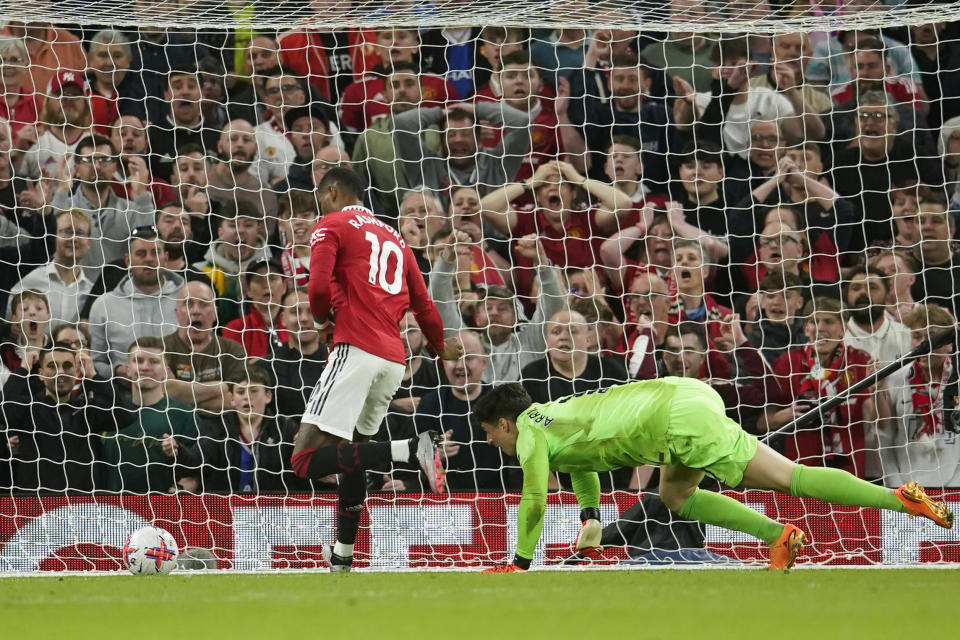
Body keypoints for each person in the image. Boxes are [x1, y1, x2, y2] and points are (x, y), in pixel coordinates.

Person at [472, 380, 953, 573]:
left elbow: (534, 499)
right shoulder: (552, 417)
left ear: (506, 423)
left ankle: (897, 499)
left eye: (490, 433)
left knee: (791, 480)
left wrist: (520, 564)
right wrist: (591, 517)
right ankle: (781, 536)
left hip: (672, 422)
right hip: (681, 395)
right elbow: (580, 467)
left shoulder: (530, 436)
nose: (492, 441)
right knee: (676, 493)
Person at [288, 168, 462, 572]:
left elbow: (316, 289)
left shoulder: (330, 224)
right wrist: (438, 346)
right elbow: (425, 307)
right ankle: (343, 556)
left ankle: (411, 449)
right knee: (354, 458)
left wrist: (320, 323)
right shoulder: (396, 239)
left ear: (331, 192)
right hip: (393, 361)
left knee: (304, 460)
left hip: (355, 351)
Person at [167, 366, 308, 493]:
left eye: (254, 391)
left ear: (268, 396)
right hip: (226, 508)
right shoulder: (218, 428)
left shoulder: (285, 427)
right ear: (232, 399)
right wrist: (179, 450)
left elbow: (300, 470)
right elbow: (196, 461)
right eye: (240, 392)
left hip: (272, 509)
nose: (247, 397)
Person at [98, 337, 200, 493]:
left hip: (161, 511)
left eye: (154, 362)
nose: (145, 368)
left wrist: (178, 495)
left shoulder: (184, 415)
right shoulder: (108, 412)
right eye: (138, 361)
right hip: (111, 510)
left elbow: (195, 475)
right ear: (127, 370)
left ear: (166, 371)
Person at [88, 226, 184, 378]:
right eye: (141, 253)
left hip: (177, 392)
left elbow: (201, 350)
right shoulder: (104, 305)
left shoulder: (187, 299)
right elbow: (96, 362)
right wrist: (119, 371)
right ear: (128, 261)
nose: (149, 259)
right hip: (122, 394)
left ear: (165, 258)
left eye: (155, 252)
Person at [7, 208, 93, 325]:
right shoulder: (26, 281)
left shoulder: (92, 293)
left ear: (89, 243)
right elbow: (9, 328)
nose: (74, 238)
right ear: (52, 236)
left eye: (80, 233)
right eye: (67, 231)